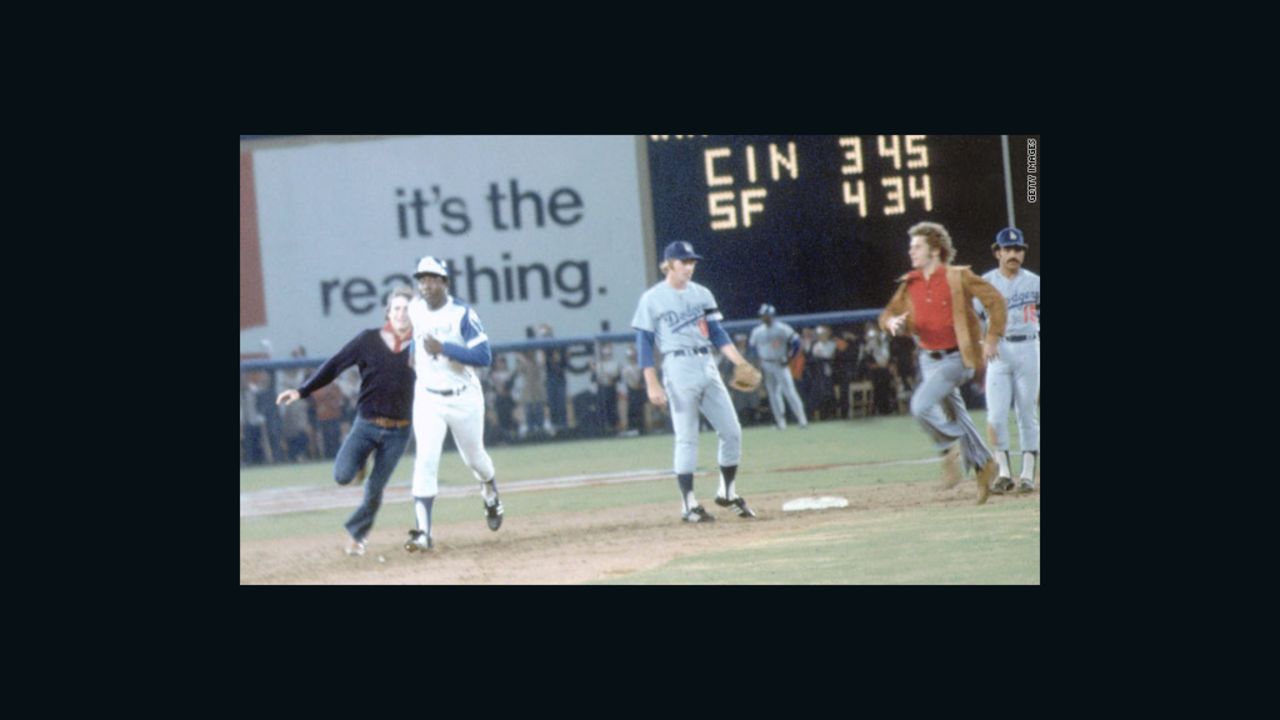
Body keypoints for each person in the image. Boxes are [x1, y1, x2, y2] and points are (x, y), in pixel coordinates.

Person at [276, 287, 417, 556]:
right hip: (367, 424)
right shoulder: (368, 340)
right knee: (342, 476)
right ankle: (361, 460)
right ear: (388, 311)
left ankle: (357, 535)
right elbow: (335, 364)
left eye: (406, 309)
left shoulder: (421, 343)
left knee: (375, 488)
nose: (401, 313)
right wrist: (301, 391)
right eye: (396, 308)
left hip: (399, 431)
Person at [879, 221, 1007, 504]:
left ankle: (948, 447)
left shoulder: (957, 276)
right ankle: (985, 464)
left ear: (935, 250)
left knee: (920, 406)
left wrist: (993, 338)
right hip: (928, 358)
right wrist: (893, 323)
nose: (911, 251)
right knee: (956, 415)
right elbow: (887, 315)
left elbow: (996, 301)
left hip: (957, 358)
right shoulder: (910, 283)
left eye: (917, 246)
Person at [632, 241, 758, 522]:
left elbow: (717, 333)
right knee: (687, 438)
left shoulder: (702, 294)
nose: (689, 267)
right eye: (683, 262)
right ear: (669, 264)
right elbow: (644, 342)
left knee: (732, 431)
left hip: (706, 363)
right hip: (677, 365)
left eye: (692, 262)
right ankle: (689, 504)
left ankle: (727, 491)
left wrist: (739, 362)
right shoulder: (653, 298)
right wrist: (651, 382)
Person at [404, 256, 503, 552]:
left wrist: (445, 348)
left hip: (463, 397)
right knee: (426, 460)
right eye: (422, 279)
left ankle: (490, 491)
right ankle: (423, 533)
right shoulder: (415, 309)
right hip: (428, 398)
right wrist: (413, 351)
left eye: (433, 278)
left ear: (445, 282)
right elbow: (418, 335)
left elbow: (484, 356)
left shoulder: (461, 313)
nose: (426, 284)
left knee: (475, 459)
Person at [978, 227, 1041, 494]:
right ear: (998, 253)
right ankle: (1004, 473)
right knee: (996, 414)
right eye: (1008, 249)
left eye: (1018, 250)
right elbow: (975, 318)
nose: (1013, 254)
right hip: (999, 351)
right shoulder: (986, 282)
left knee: (1027, 412)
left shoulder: (1035, 282)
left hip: (1029, 346)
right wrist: (984, 340)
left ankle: (1027, 475)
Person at [748, 304, 808, 430]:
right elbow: (752, 348)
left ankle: (802, 420)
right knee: (773, 394)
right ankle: (780, 423)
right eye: (763, 315)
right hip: (766, 363)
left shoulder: (782, 328)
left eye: (766, 315)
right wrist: (757, 365)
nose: (764, 317)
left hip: (780, 363)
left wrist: (791, 358)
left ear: (772, 315)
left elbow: (796, 343)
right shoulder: (757, 331)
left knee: (790, 392)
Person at [592, 343, 622, 434]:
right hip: (601, 389)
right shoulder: (598, 364)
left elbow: (618, 378)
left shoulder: (615, 364)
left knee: (612, 409)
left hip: (611, 389)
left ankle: (614, 428)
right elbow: (593, 379)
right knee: (602, 408)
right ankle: (602, 428)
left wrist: (612, 379)